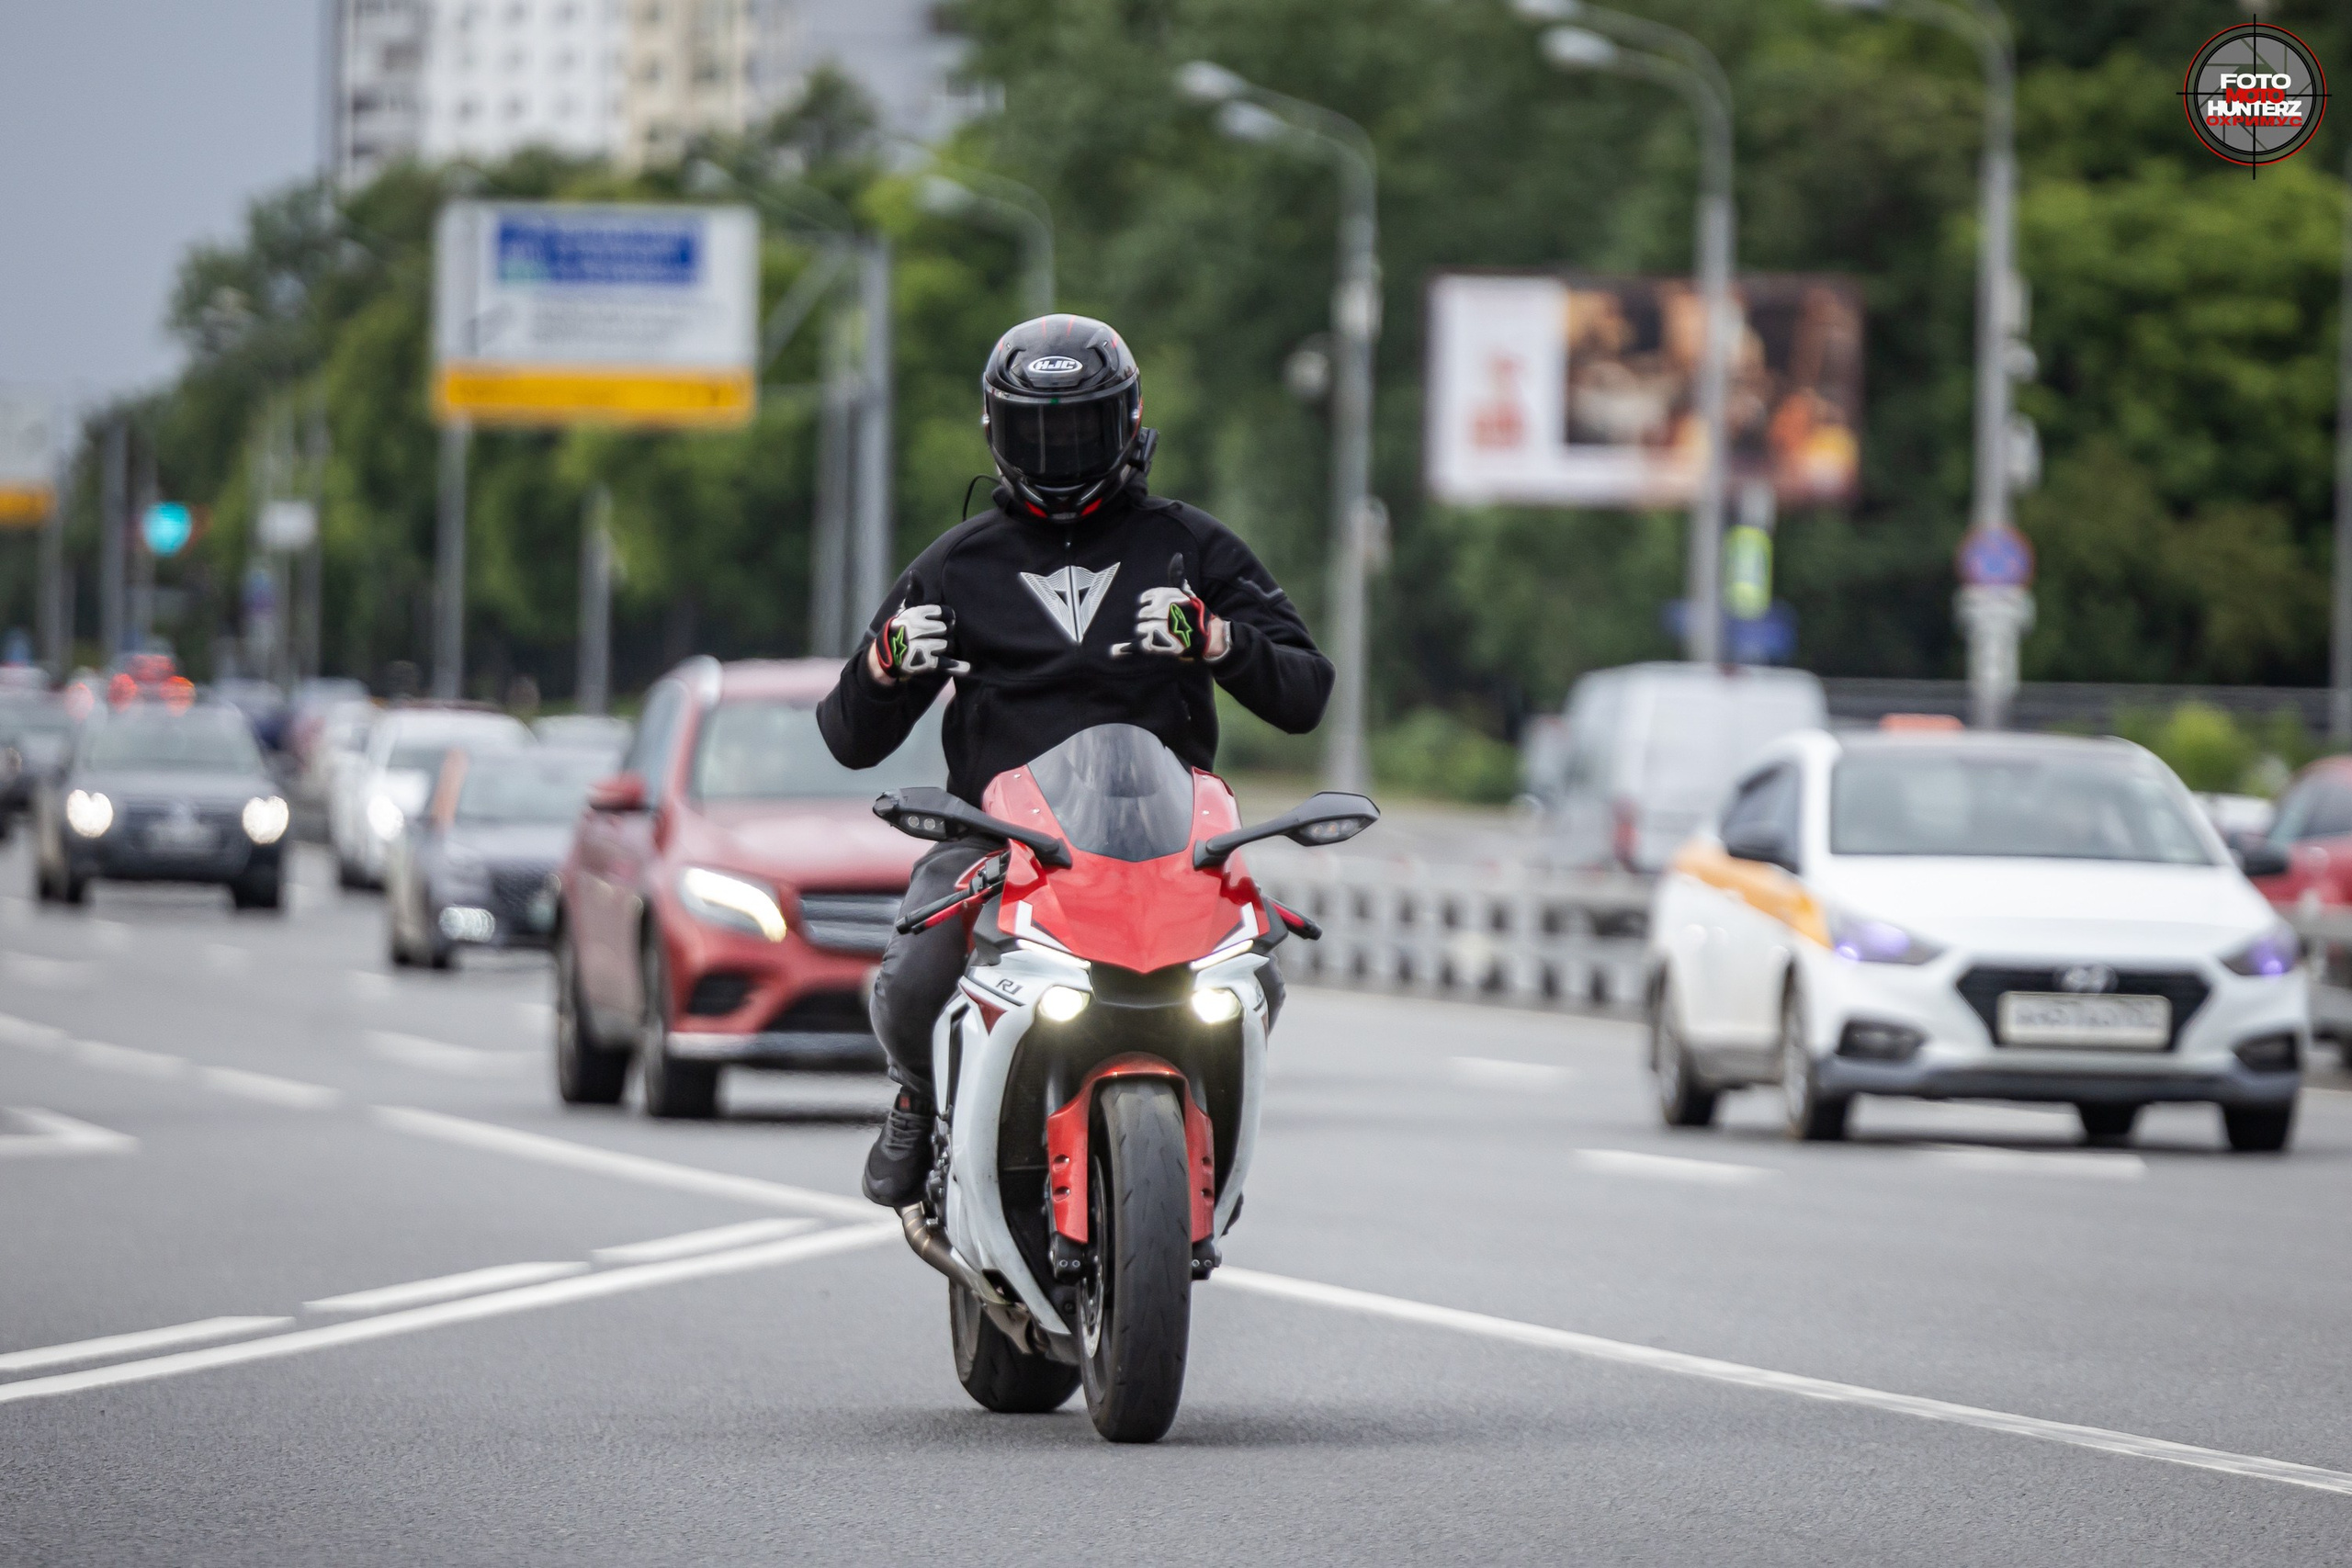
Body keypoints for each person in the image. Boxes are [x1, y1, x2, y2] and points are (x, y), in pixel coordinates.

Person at [817, 314, 1334, 1207]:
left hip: (1165, 845)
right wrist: (883, 665)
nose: (1058, 455)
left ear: (1129, 422)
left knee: (1258, 979)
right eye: (1035, 433)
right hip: (996, 843)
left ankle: (1204, 1139)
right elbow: (847, 736)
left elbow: (1306, 691)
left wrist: (1217, 639)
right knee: (915, 975)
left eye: (1081, 429)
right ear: (994, 430)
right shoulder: (955, 564)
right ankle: (915, 1098)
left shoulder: (1191, 547)